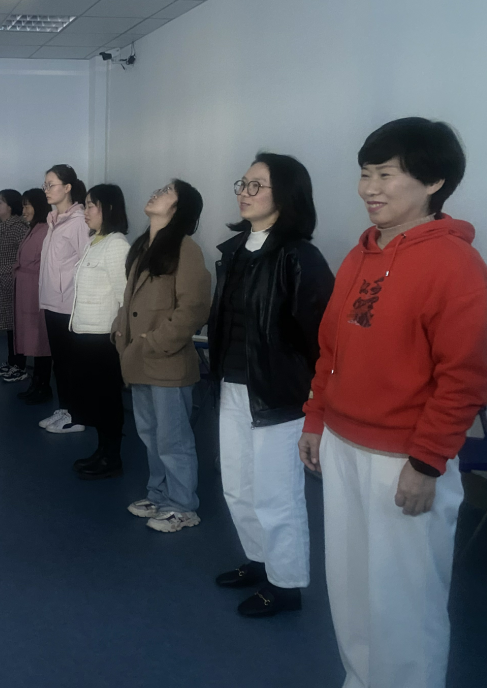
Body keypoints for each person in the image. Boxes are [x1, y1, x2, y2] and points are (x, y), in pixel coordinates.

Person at [299, 118, 487, 688]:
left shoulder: (456, 265)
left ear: (433, 182)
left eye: (385, 174)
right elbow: (330, 348)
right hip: (343, 446)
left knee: (404, 601)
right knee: (351, 588)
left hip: (404, 459)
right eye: (365, 174)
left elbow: (464, 377)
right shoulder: (360, 255)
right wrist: (316, 419)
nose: (369, 188)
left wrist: (427, 462)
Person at [208, 153, 334, 617]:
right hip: (233, 384)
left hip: (280, 394)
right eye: (243, 183)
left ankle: (286, 584)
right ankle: (258, 559)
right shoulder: (235, 251)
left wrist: (315, 396)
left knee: (276, 494)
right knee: (238, 485)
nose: (244, 192)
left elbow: (321, 336)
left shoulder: (299, 256)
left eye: (256, 185)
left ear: (286, 194)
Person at [113, 181, 211, 531]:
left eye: (168, 191)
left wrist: (154, 341)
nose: (156, 192)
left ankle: (183, 506)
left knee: (173, 439)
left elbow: (193, 308)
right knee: (151, 435)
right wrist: (119, 331)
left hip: (166, 360)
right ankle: (158, 495)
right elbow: (131, 301)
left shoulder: (186, 249)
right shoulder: (143, 248)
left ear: (180, 207)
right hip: (139, 358)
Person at [66, 184, 130, 478]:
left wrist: (120, 337)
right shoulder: (95, 241)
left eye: (92, 205)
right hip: (84, 332)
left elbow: (124, 297)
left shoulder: (117, 245)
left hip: (104, 337)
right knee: (94, 397)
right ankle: (101, 450)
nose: (86, 211)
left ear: (109, 208)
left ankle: (112, 457)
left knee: (107, 399)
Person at [38, 164, 90, 434]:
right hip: (51, 301)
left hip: (68, 303)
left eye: (52, 185)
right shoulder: (54, 220)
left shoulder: (78, 221)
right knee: (59, 361)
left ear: (67, 187)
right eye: (45, 185)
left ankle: (77, 416)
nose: (46, 190)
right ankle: (65, 408)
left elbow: (87, 262)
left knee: (71, 362)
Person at [13, 188, 53, 404]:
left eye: (27, 205)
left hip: (36, 291)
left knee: (40, 339)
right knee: (33, 338)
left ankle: (42, 385)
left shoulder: (45, 230)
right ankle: (36, 382)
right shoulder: (34, 229)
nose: (24, 210)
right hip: (27, 290)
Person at [0, 189, 31, 382]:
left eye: (0, 202)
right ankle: (12, 362)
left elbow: (27, 256)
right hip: (2, 279)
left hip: (14, 280)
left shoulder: (19, 228)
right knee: (9, 324)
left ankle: (20, 365)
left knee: (17, 324)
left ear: (11, 206)